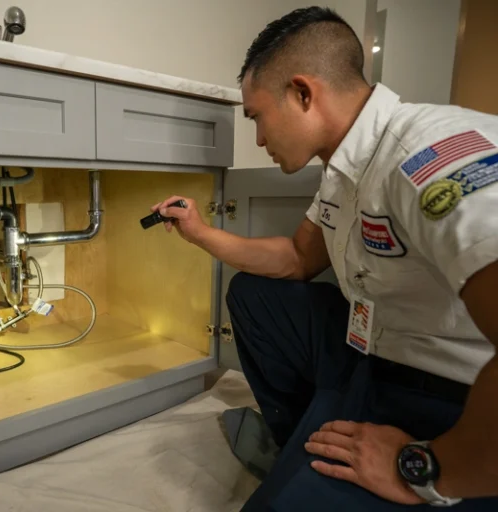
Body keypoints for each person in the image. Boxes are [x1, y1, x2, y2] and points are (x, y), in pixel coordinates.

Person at [152, 6, 498, 511]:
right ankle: (303, 436)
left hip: (452, 394)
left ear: (303, 93)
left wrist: (427, 470)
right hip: (370, 353)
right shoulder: (344, 167)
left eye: (257, 118)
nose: (259, 140)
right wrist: (201, 233)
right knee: (255, 296)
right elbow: (296, 257)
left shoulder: (428, 154)